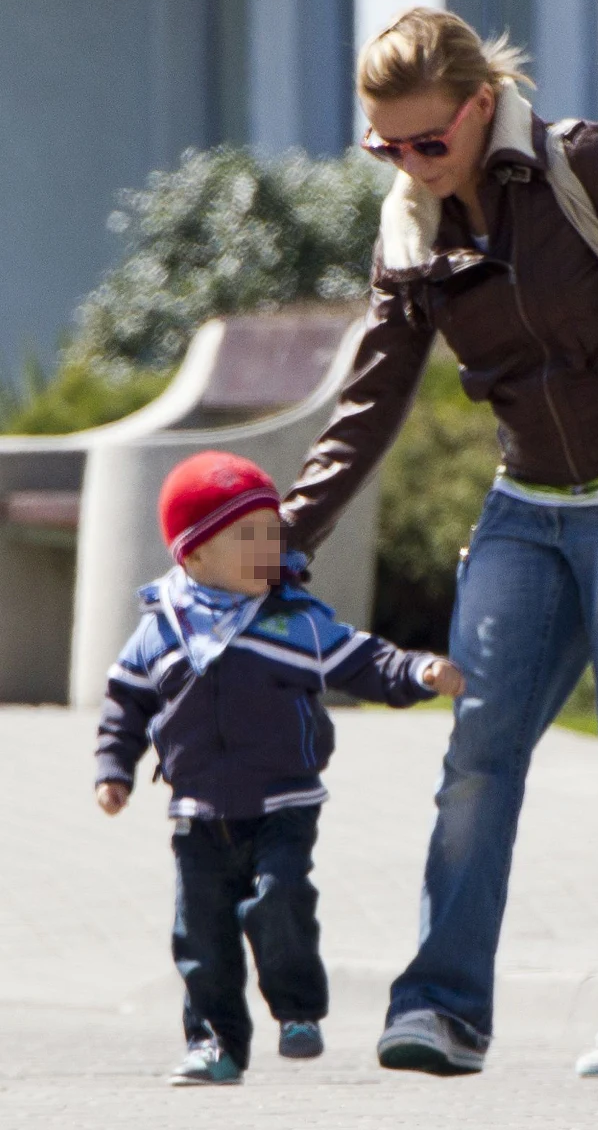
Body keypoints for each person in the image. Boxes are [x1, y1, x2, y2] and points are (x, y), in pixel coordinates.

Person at [278, 8, 598, 1078]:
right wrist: (279, 536)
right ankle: (439, 1009)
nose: (407, 164)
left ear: (479, 105)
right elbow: (370, 399)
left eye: (426, 142)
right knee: (475, 763)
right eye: (383, 147)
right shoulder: (412, 227)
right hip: (523, 507)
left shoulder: (584, 164)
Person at [94, 451, 462, 1086]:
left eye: (273, 533)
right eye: (247, 538)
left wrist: (418, 671)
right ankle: (215, 1045)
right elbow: (126, 702)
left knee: (278, 902)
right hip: (196, 814)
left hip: (283, 805)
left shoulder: (295, 620)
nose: (268, 549)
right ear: (194, 554)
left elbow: (363, 659)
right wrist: (114, 768)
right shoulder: (164, 630)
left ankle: (298, 1011)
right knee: (200, 939)